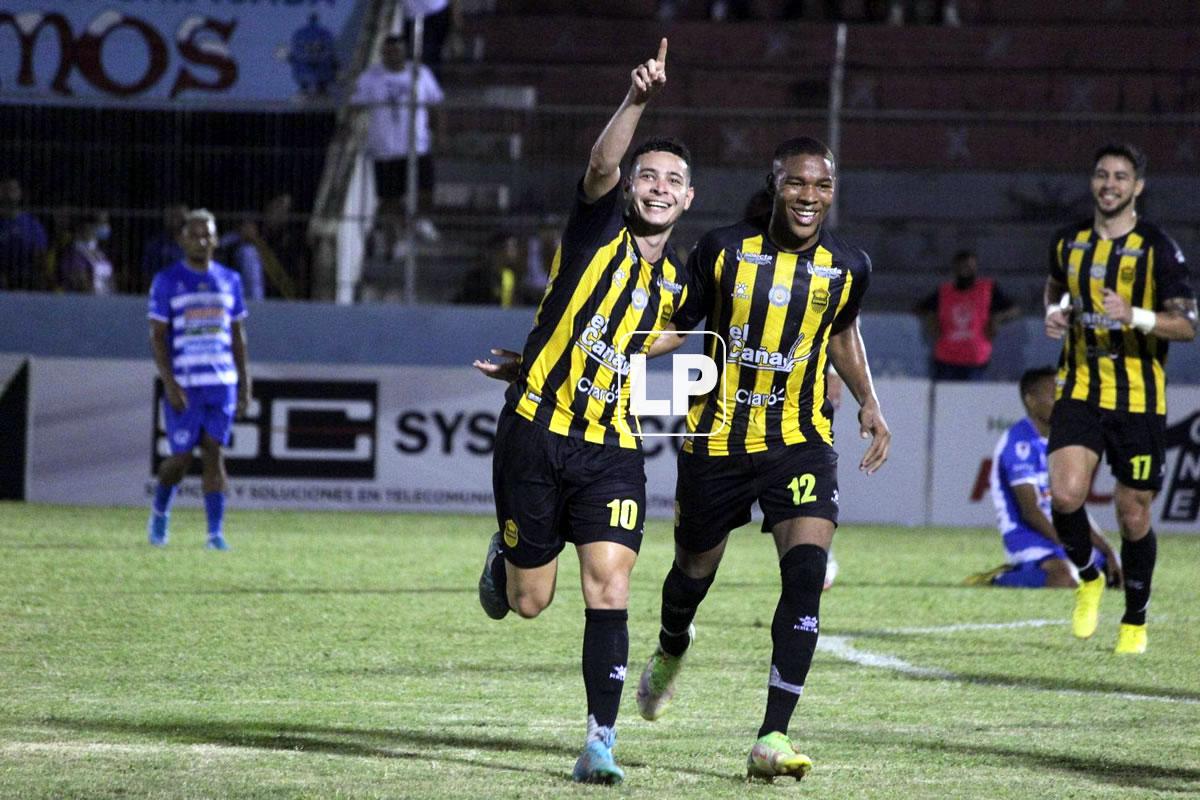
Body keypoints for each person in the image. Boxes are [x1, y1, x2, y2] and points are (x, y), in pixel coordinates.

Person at [634, 137, 891, 782]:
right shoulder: (723, 249)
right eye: (798, 184)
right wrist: (618, 344)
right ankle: (671, 646)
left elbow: (840, 331)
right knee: (691, 573)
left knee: (805, 575)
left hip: (800, 440)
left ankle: (772, 734)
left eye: (822, 186)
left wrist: (868, 402)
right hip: (716, 440)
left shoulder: (850, 265)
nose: (810, 197)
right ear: (774, 185)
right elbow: (683, 321)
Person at [473, 39, 693, 785]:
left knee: (611, 583)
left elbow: (652, 335)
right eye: (650, 176)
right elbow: (600, 166)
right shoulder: (597, 229)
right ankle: (507, 560)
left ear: (688, 201)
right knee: (530, 602)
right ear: (632, 188)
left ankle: (600, 741)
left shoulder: (682, 288)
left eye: (675, 181)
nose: (660, 187)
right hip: (535, 435)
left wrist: (543, 348)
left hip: (610, 449)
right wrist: (636, 100)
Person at [1043, 142, 1196, 654]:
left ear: (1138, 187)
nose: (1110, 184)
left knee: (1134, 515)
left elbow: (1188, 325)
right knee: (1065, 496)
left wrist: (1137, 316)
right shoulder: (1069, 241)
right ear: (1092, 181)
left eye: (1121, 177)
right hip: (1080, 388)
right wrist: (1057, 311)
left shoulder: (1157, 247)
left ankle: (1134, 619)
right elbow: (1054, 286)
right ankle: (1088, 575)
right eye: (1103, 174)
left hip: (1139, 399)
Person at [146, 209, 252, 551]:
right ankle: (160, 510)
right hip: (186, 384)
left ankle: (214, 534)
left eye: (207, 235)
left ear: (216, 240)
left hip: (220, 383)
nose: (201, 241)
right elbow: (158, 337)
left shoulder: (230, 280)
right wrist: (171, 383)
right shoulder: (167, 280)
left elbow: (237, 337)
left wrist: (244, 385)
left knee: (214, 451)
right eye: (194, 235)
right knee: (180, 459)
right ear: (182, 240)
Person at [964, 366, 1121, 589]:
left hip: (1063, 535)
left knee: (1125, 577)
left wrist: (1108, 550)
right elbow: (1031, 512)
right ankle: (999, 579)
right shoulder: (1019, 443)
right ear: (1031, 400)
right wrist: (1071, 546)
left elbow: (1075, 509)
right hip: (1026, 535)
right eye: (1053, 395)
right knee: (1065, 579)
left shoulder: (1063, 441)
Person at [351, 34, 444, 243]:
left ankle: (422, 222)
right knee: (389, 198)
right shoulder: (370, 77)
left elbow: (436, 103)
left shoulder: (420, 73)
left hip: (416, 146)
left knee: (426, 190)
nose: (391, 56)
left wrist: (439, 133)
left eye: (396, 51)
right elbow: (355, 105)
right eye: (388, 52)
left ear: (405, 52)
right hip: (385, 148)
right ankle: (397, 231)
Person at [915, 249, 1019, 381]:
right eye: (962, 266)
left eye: (969, 266)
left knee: (972, 397)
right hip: (946, 357)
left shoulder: (987, 289)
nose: (965, 270)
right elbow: (921, 308)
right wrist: (931, 320)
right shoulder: (944, 291)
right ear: (955, 268)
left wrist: (997, 319)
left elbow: (1013, 310)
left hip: (976, 358)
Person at [0, 178, 49, 291]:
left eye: (13, 189)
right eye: (4, 189)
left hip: (28, 286)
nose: (8, 193)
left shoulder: (32, 224)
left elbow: (41, 256)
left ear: (20, 193)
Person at [59, 211, 115, 294]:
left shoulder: (100, 254)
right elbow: (81, 285)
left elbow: (110, 279)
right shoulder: (74, 255)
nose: (92, 232)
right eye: (88, 229)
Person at [141, 204, 188, 291]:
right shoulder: (157, 244)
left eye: (178, 216)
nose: (174, 219)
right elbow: (147, 272)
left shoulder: (193, 243)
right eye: (171, 216)